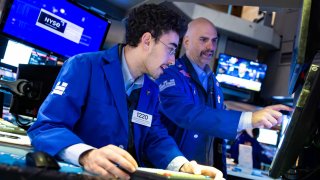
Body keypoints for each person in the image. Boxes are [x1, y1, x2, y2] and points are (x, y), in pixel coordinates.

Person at [27, 5, 223, 180]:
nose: (172, 61)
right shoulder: (84, 66)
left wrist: (182, 165)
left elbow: (155, 137)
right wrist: (87, 155)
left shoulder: (152, 87)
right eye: (171, 49)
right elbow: (47, 127)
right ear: (147, 40)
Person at [156, 17, 292, 177]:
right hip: (176, 170)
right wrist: (248, 118)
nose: (210, 46)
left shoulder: (213, 82)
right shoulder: (169, 74)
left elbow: (216, 127)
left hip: (207, 171)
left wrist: (258, 121)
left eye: (214, 41)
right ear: (186, 42)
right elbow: (187, 113)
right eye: (203, 40)